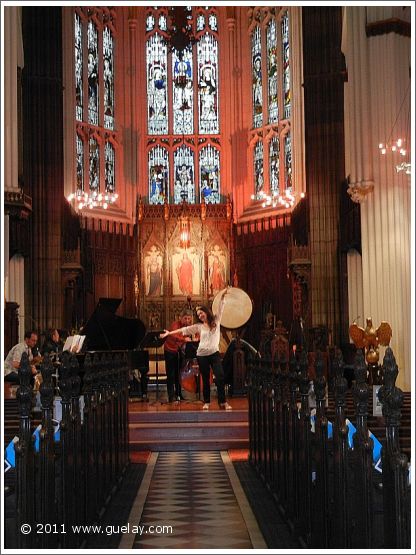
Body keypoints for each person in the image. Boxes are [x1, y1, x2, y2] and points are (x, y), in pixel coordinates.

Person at [160, 288, 232, 410]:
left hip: (214, 353)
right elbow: (183, 331)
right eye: (198, 315)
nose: (200, 315)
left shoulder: (216, 320)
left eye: (201, 313)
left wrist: (223, 296)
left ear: (206, 312)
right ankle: (207, 402)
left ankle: (223, 402)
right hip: (202, 355)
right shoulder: (198, 326)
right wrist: (169, 333)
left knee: (220, 376)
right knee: (205, 379)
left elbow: (221, 307)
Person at [163, 309, 193, 403]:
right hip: (170, 351)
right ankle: (171, 396)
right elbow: (174, 335)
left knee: (178, 374)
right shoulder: (175, 324)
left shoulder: (189, 326)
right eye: (185, 318)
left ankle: (179, 394)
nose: (187, 321)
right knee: (171, 374)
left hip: (179, 352)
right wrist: (184, 339)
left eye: (189, 319)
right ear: (181, 318)